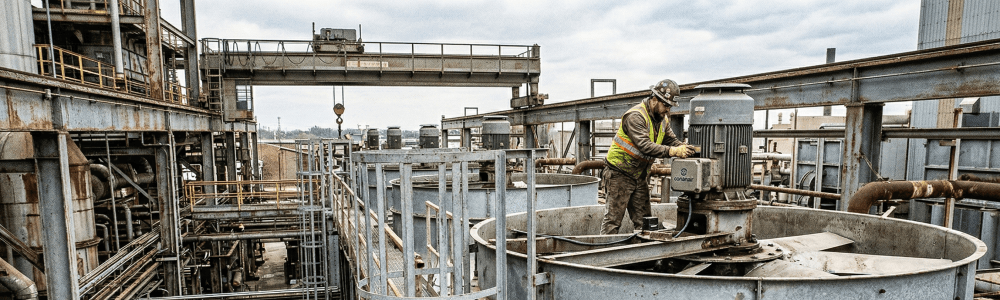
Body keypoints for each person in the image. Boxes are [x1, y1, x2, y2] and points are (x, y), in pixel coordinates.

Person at [601, 79, 696, 234]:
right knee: (613, 220)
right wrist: (673, 152)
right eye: (665, 105)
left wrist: (682, 147)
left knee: (645, 221)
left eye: (670, 106)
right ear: (654, 99)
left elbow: (670, 139)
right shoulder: (635, 116)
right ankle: (604, 254)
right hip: (620, 173)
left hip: (639, 175)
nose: (668, 110)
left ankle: (642, 253)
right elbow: (644, 145)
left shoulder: (662, 119)